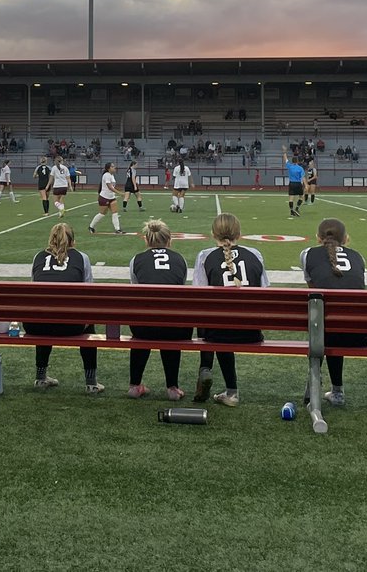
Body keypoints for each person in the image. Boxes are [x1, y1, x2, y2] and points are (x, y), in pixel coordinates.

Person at [192, 213, 269, 406]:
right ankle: (230, 391)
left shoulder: (205, 256)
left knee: (213, 318)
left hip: (218, 334)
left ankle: (206, 369)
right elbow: (265, 291)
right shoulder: (255, 254)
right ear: (239, 234)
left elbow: (199, 296)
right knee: (224, 319)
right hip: (250, 332)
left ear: (213, 234)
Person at [300, 217, 367, 407]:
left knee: (323, 321)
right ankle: (337, 391)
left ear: (318, 237)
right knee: (336, 321)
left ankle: (313, 385)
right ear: (346, 238)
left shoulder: (307, 254)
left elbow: (313, 292)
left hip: (325, 332)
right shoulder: (358, 257)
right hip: (359, 334)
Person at [27, 223, 104, 394]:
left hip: (37, 326)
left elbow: (34, 288)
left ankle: (40, 377)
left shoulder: (38, 257)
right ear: (72, 240)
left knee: (44, 312)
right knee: (88, 324)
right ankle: (91, 382)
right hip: (71, 326)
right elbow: (89, 291)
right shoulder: (81, 257)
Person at [127, 219, 190, 399]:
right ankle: (172, 387)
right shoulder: (180, 259)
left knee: (145, 318)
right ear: (169, 240)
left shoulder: (136, 260)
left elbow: (136, 291)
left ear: (146, 240)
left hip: (143, 328)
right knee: (170, 318)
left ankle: (134, 385)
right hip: (173, 327)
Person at [89, 162, 125, 234]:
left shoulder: (112, 175)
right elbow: (110, 187)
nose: (114, 167)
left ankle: (117, 229)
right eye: (112, 166)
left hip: (112, 197)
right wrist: (120, 193)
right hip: (104, 197)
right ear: (108, 168)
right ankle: (91, 226)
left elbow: (112, 186)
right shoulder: (106, 175)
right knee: (102, 213)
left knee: (115, 212)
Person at [282, 147, 305, 217]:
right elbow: (302, 177)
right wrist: (304, 184)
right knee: (301, 197)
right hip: (298, 183)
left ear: (292, 161)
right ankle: (297, 208)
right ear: (297, 161)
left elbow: (285, 159)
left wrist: (284, 152)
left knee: (291, 198)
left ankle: (292, 211)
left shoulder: (290, 166)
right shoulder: (300, 168)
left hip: (291, 183)